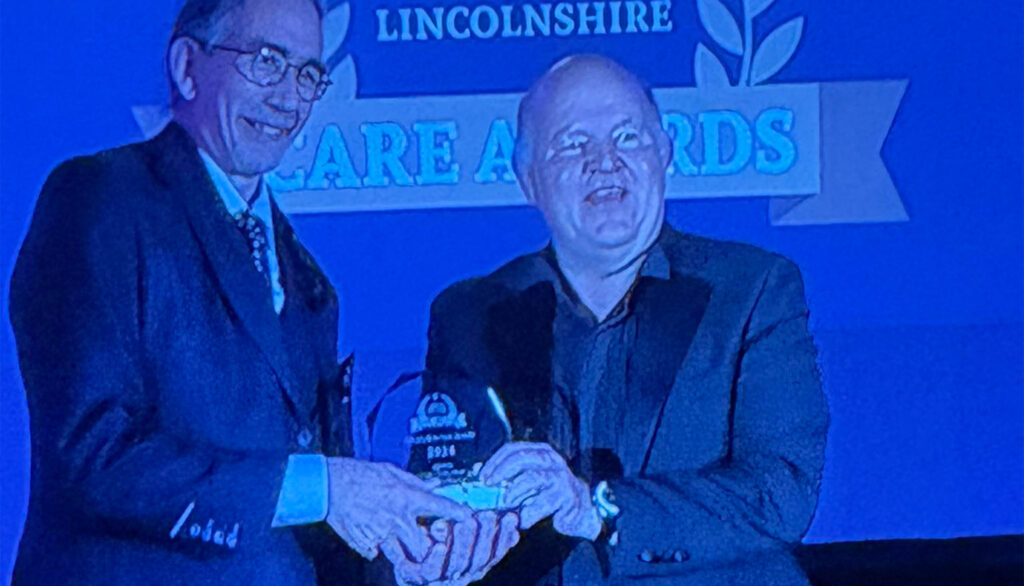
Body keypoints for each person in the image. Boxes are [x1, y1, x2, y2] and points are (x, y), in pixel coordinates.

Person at [9, 0, 516, 584]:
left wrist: (407, 557)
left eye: (308, 74)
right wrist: (327, 488)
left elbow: (312, 518)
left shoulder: (308, 280)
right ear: (187, 66)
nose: (288, 98)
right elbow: (92, 456)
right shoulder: (102, 198)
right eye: (267, 60)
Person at [422, 55, 828, 584]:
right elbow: (442, 489)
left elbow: (781, 493)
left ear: (665, 153)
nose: (604, 161)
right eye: (572, 144)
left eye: (627, 137)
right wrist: (439, 544)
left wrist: (596, 507)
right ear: (528, 180)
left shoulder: (754, 289)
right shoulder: (470, 313)